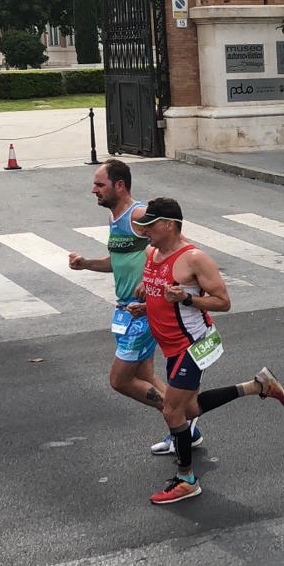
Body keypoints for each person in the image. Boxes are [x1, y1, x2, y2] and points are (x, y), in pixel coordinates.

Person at [127, 198, 284, 504]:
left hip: (193, 344)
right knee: (189, 411)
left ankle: (187, 479)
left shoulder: (194, 259)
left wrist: (187, 300)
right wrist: (145, 307)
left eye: (150, 225)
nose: (145, 231)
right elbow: (161, 295)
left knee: (172, 410)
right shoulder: (152, 253)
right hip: (171, 346)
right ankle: (258, 386)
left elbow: (223, 302)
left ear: (169, 225)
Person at [66, 160, 200, 454]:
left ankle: (181, 420)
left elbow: (183, 249)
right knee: (145, 376)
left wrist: (155, 278)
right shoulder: (116, 218)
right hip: (125, 310)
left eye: (100, 185)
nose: (93, 190)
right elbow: (118, 262)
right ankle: (185, 431)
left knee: (120, 380)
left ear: (120, 186)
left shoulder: (138, 214)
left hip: (143, 311)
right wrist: (86, 263)